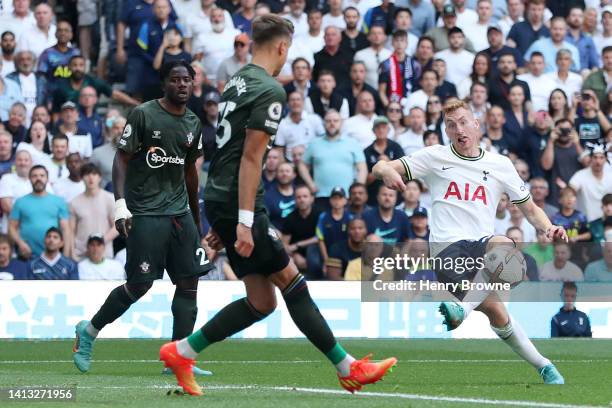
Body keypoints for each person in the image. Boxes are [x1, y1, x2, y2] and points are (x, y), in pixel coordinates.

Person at [161, 16, 396, 396]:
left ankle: (182, 352)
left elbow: (229, 150)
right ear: (283, 48)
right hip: (241, 200)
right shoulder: (269, 89)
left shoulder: (236, 81)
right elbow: (252, 158)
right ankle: (347, 367)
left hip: (223, 194)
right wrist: (241, 222)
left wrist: (222, 215)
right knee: (290, 281)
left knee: (261, 300)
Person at [373, 99, 567, 384]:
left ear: (477, 125)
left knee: (498, 312)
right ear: (446, 132)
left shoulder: (500, 165)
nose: (459, 129)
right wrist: (386, 171)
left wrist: (549, 227)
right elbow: (380, 166)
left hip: (480, 253)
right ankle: (462, 311)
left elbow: (529, 208)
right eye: (451, 126)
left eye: (464, 122)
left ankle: (545, 366)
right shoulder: (435, 156)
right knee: (501, 243)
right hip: (446, 254)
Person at [72, 61, 213, 375]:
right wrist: (120, 204)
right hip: (146, 212)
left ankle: (179, 359)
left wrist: (197, 216)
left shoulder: (193, 121)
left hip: (180, 213)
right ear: (164, 83)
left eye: (187, 80)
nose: (182, 85)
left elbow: (190, 173)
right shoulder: (144, 114)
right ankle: (89, 332)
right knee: (139, 286)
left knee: (189, 283)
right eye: (175, 80)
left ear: (193, 84)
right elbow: (121, 160)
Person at [298, 109, 367, 211]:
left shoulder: (352, 143)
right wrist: (310, 184)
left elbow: (362, 168)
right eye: (328, 121)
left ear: (341, 123)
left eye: (335, 121)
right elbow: (302, 165)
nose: (332, 124)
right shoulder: (314, 143)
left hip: (346, 196)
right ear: (324, 123)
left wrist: (357, 189)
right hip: (321, 196)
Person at [9, 165, 70, 260]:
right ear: (29, 179)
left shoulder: (59, 201)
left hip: (53, 254)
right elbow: (12, 227)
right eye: (34, 176)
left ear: (47, 178)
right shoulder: (20, 202)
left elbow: (65, 229)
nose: (38, 178)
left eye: (42, 176)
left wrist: (65, 255)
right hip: (27, 254)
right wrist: (20, 244)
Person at [69, 163, 117, 261]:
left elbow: (117, 227)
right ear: (82, 178)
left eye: (94, 174)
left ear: (99, 178)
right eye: (87, 174)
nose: (91, 178)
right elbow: (71, 231)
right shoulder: (74, 202)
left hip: (104, 254)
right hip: (82, 254)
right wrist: (72, 253)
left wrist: (100, 242)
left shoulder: (110, 198)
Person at [280, 184, 320, 277]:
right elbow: (284, 244)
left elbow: (319, 238)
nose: (302, 200)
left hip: (316, 251)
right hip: (296, 254)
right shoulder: (290, 218)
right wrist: (294, 255)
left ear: (311, 199)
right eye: (298, 197)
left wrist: (298, 245)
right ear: (295, 200)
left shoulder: (319, 214)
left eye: (305, 196)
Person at [364, 116, 404, 205]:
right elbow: (365, 180)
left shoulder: (396, 147)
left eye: (384, 127)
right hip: (373, 199)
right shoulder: (367, 151)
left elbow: (404, 173)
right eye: (378, 128)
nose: (381, 130)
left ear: (388, 129)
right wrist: (380, 168)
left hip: (395, 198)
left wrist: (388, 163)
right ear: (373, 130)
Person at [275, 91, 324, 161]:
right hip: (291, 164)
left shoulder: (314, 119)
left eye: (298, 99)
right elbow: (279, 150)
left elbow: (324, 141)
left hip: (312, 161)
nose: (295, 102)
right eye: (292, 100)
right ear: (287, 104)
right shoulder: (282, 124)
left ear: (303, 102)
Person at [37, 20, 81, 95]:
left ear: (71, 34)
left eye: (66, 30)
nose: (63, 33)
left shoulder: (76, 53)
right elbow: (41, 77)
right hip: (53, 94)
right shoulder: (47, 53)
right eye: (60, 30)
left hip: (72, 94)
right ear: (55, 34)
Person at [569, 145, 612, 222]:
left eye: (601, 158)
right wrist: (568, 191)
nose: (598, 161)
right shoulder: (580, 175)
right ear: (590, 159)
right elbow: (570, 191)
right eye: (595, 157)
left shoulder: (610, 175)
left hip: (608, 222)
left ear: (606, 159)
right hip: (587, 222)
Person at [264, 162, 296, 230]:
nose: (284, 174)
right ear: (276, 175)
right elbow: (264, 220)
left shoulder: (300, 193)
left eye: (287, 171)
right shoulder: (268, 196)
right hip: (276, 236)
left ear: (294, 175)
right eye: (281, 171)